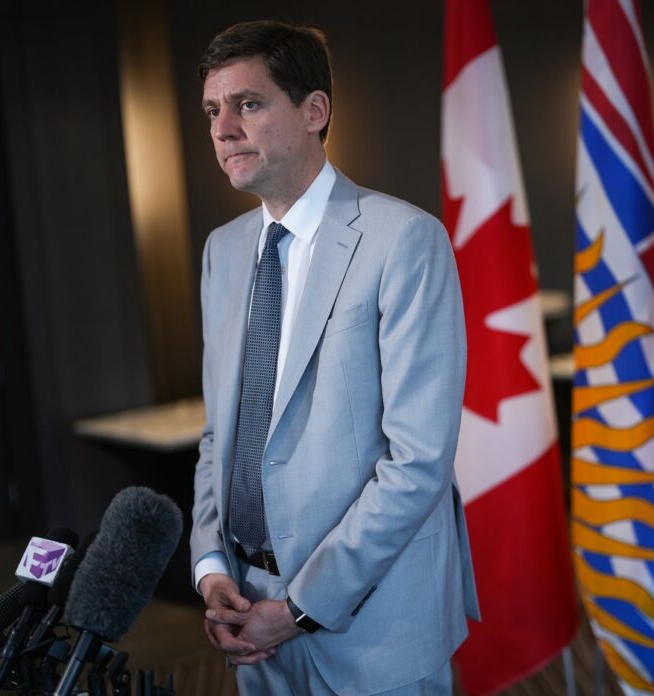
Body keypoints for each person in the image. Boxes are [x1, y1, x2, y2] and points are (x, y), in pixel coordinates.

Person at [188, 20, 478, 695]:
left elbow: (418, 462)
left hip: (372, 625)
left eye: (247, 104)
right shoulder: (222, 251)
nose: (223, 129)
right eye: (211, 111)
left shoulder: (405, 240)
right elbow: (218, 436)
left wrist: (299, 608)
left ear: (314, 110)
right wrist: (211, 567)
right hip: (248, 617)